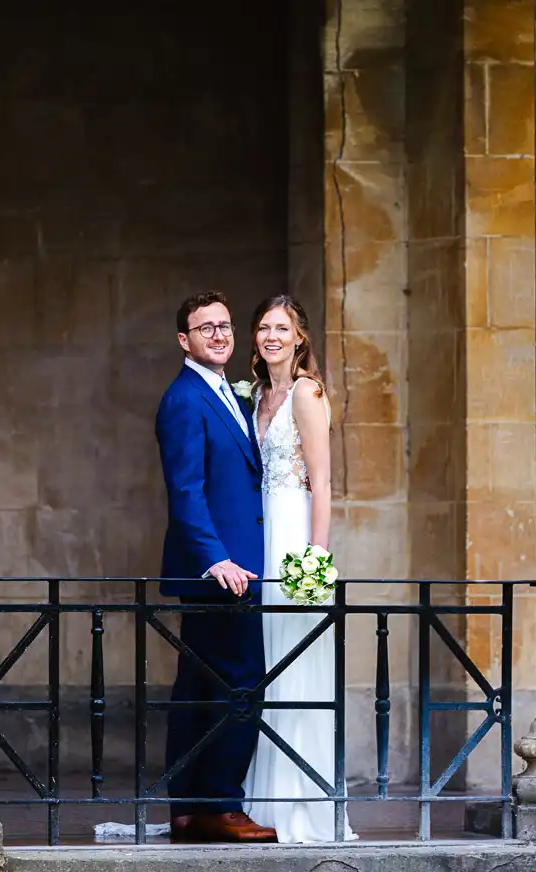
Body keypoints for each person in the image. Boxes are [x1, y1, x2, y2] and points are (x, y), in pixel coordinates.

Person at [154, 291, 277, 844]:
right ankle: (223, 805)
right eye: (206, 328)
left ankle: (188, 806)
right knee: (242, 682)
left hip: (235, 564)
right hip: (221, 572)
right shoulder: (184, 399)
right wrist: (216, 560)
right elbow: (186, 491)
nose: (220, 335)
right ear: (185, 340)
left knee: (199, 686)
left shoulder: (228, 392)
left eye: (226, 325)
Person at [240, 294, 356, 844]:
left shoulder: (307, 394)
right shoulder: (257, 395)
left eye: (280, 327)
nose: (270, 336)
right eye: (263, 327)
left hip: (295, 541)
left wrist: (316, 557)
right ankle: (262, 801)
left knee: (297, 668)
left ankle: (302, 803)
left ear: (299, 336)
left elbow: (323, 481)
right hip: (263, 538)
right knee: (267, 669)